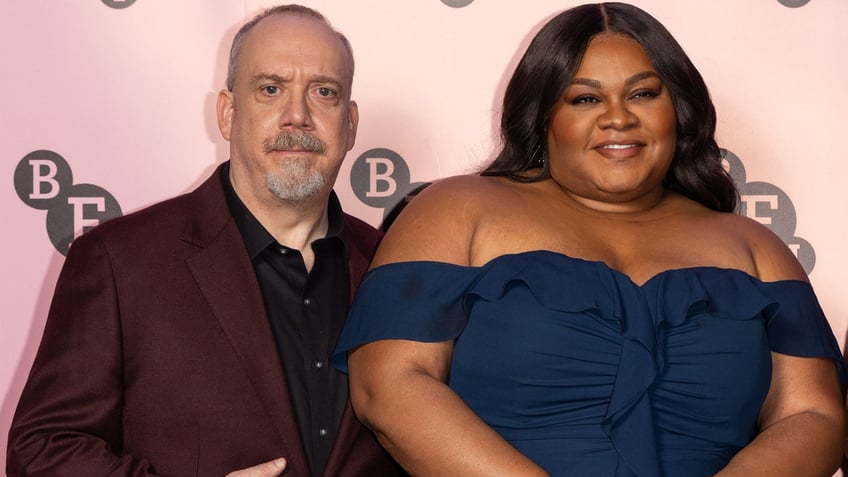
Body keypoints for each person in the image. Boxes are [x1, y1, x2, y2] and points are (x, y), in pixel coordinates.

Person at [333, 3, 845, 476]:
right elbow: (390, 386)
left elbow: (814, 414)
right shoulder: (455, 211)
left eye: (643, 93)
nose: (618, 117)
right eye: (585, 98)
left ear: (679, 109)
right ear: (544, 115)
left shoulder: (757, 250)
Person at [7, 5, 404, 477]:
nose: (297, 115)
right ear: (228, 113)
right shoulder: (118, 262)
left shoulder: (394, 262)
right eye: (271, 89)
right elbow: (41, 452)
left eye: (323, 92)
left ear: (351, 123)